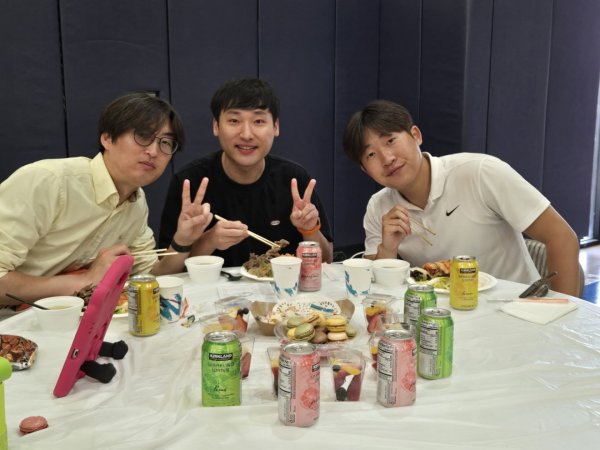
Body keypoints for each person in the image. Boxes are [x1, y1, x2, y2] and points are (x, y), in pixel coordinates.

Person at [342, 99, 580, 296]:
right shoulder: (379, 207)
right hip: (444, 317)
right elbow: (373, 290)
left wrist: (561, 317)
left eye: (391, 141)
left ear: (416, 135)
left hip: (519, 310)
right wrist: (388, 248)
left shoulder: (480, 172)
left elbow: (562, 237)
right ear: (365, 169)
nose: (387, 158)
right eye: (371, 154)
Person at [0, 92, 212, 308]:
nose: (154, 151)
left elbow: (150, 276)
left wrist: (182, 240)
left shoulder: (136, 202)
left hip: (66, 316)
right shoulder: (49, 182)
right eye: (143, 135)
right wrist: (85, 280)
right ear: (107, 138)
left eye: (166, 142)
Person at [159, 78, 333, 267]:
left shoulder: (294, 180)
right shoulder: (189, 182)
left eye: (258, 121)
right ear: (216, 126)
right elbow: (168, 272)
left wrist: (310, 230)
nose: (246, 134)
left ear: (275, 127)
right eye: (234, 121)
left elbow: (327, 260)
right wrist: (209, 240)